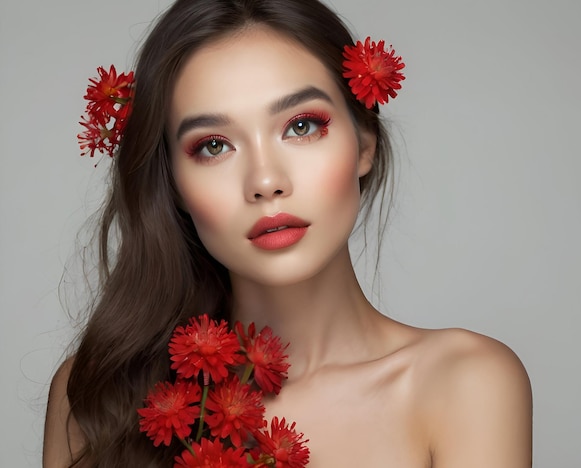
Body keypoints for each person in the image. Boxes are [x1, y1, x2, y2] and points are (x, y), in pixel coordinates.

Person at [43, 0, 533, 466]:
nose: (265, 181)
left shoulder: (466, 384)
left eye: (301, 126)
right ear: (172, 184)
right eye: (213, 146)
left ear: (364, 143)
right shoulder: (97, 395)